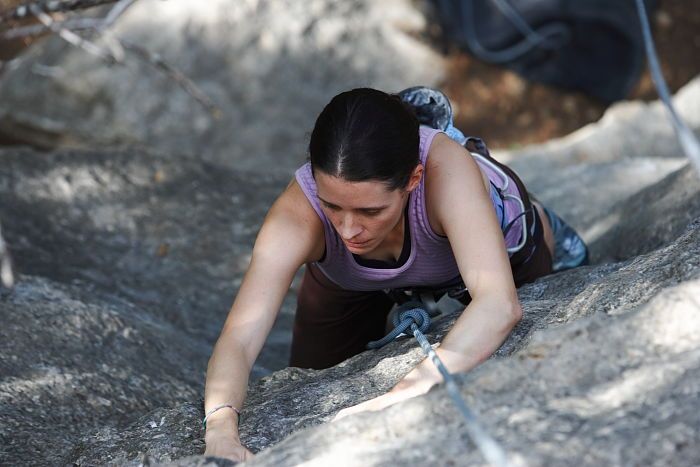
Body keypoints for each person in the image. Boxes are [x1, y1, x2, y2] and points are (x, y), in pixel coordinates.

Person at [202, 87, 588, 461]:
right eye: (332, 206)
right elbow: (240, 336)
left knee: (525, 319)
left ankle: (539, 216)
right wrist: (220, 430)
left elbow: (499, 305)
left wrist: (399, 396)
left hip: (495, 244)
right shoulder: (297, 211)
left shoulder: (445, 171)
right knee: (308, 374)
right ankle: (392, 276)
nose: (348, 229)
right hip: (353, 279)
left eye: (370, 211)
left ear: (413, 180)